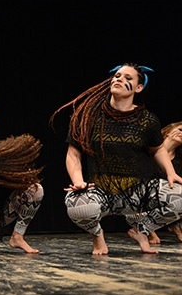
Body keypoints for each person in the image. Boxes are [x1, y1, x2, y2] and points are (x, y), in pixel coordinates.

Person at [49, 63, 182, 255]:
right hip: (101, 191)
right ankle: (98, 237)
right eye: (118, 76)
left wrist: (171, 173)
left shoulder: (147, 120)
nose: (119, 79)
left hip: (139, 192)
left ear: (138, 87)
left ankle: (141, 230)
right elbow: (73, 154)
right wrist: (78, 181)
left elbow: (158, 149)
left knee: (180, 196)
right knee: (77, 206)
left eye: (128, 78)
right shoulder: (88, 116)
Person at [147, 121, 182, 243]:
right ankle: (148, 230)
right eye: (180, 130)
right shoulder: (148, 151)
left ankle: (176, 226)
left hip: (169, 195)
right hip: (147, 194)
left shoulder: (179, 159)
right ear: (167, 132)